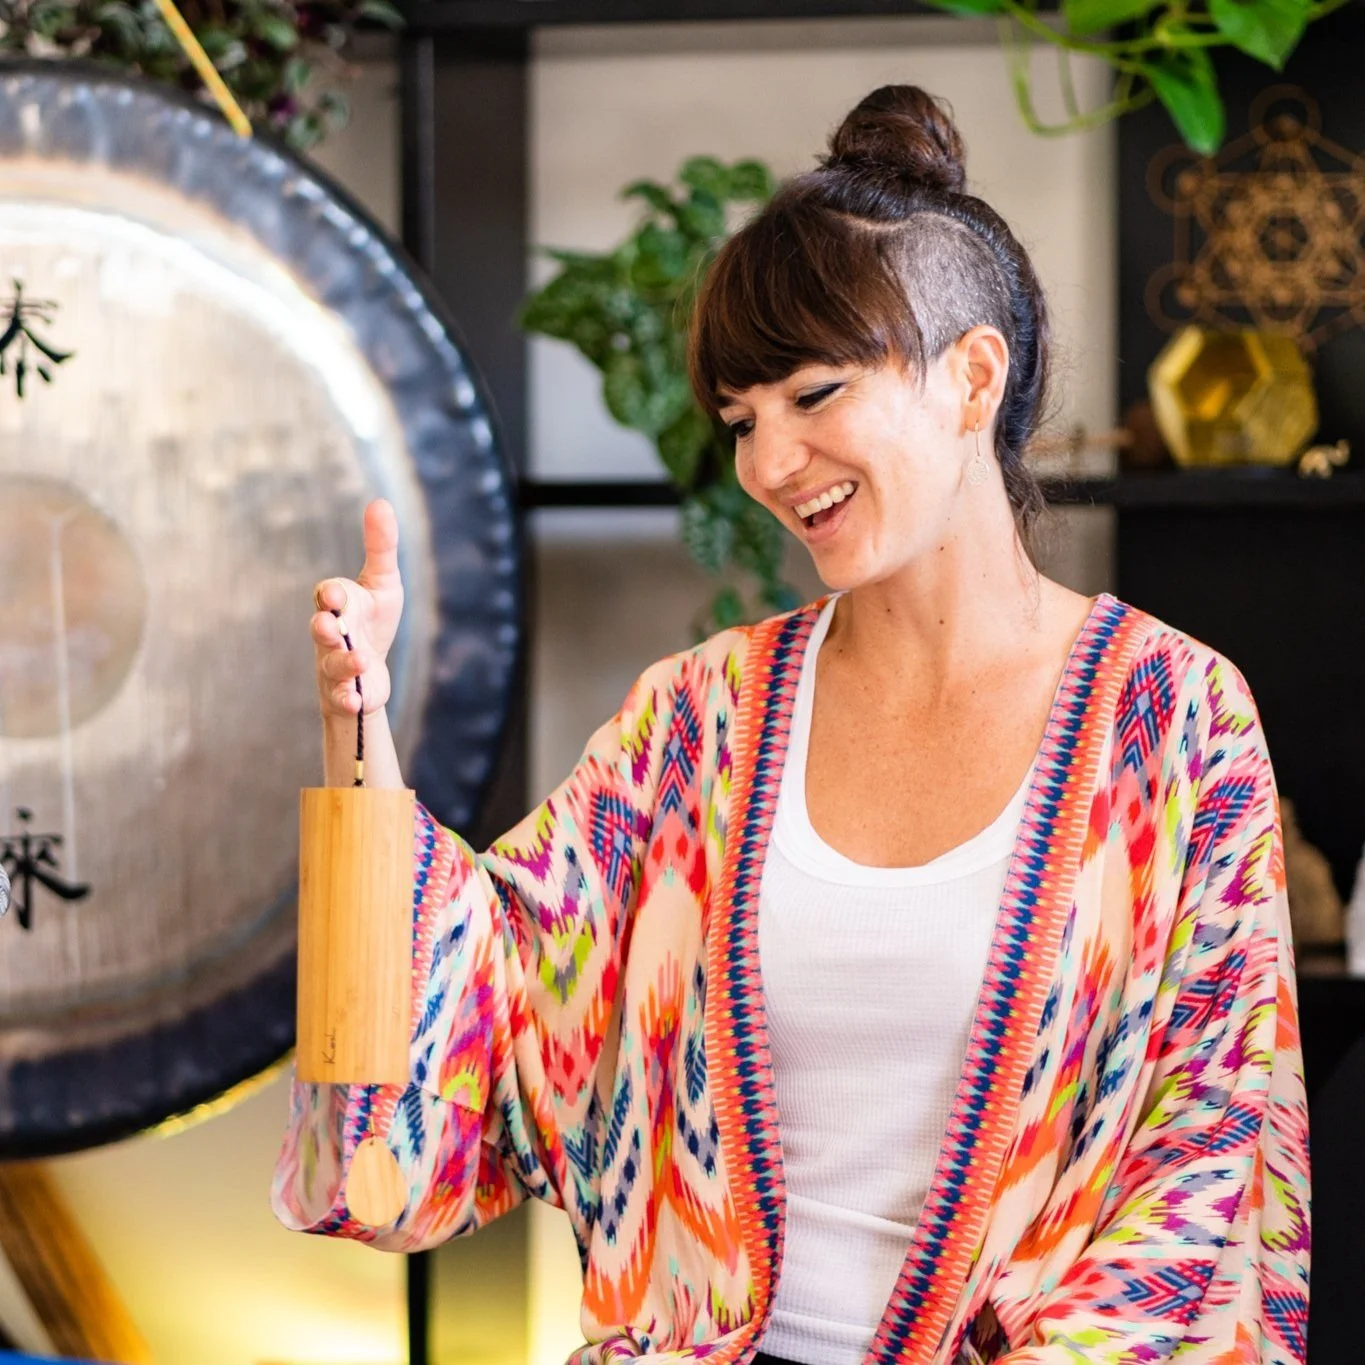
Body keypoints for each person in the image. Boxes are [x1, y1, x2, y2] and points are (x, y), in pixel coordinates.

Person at [274, 86, 1310, 1365]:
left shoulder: (1177, 720)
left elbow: (1197, 1170)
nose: (769, 462)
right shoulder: (697, 717)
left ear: (971, 376)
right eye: (742, 419)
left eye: (815, 394)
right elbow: (487, 997)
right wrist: (358, 722)